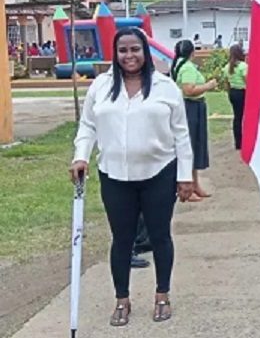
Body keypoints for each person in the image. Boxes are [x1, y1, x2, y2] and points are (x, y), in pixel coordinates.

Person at [69, 27, 194, 326]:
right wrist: (80, 156)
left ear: (145, 52)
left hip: (159, 173)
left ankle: (162, 294)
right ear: (116, 53)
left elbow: (181, 135)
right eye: (123, 50)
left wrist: (185, 176)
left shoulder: (166, 87)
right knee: (122, 239)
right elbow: (88, 126)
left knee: (160, 235)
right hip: (115, 175)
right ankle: (121, 299)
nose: (129, 56)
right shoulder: (101, 86)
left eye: (135, 49)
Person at [170, 40, 218, 201]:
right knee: (189, 145)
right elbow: (189, 90)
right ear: (192, 52)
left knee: (194, 146)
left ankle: (195, 184)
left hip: (193, 108)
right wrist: (208, 85)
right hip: (191, 108)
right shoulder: (187, 67)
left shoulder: (178, 65)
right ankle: (187, 188)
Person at [224, 44, 247, 150]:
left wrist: (229, 92)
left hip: (233, 92)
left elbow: (226, 83)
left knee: (237, 117)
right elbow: (247, 81)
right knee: (244, 117)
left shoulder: (227, 67)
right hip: (242, 92)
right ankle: (245, 140)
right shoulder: (243, 66)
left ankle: (238, 142)